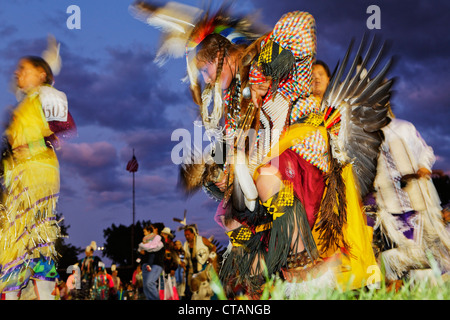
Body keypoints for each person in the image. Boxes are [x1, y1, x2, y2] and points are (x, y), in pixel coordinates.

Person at [0, 50, 75, 299]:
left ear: (41, 74)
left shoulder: (45, 94)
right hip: (19, 176)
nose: (17, 72)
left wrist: (34, 144)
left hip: (37, 173)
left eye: (24, 68)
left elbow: (65, 125)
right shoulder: (24, 106)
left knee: (34, 235)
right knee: (15, 242)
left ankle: (43, 293)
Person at [366, 114, 450, 283]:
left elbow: (425, 151)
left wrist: (423, 166)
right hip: (386, 205)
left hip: (415, 200)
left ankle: (429, 285)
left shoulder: (403, 127)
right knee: (394, 255)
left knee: (425, 249)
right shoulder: (364, 135)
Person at [183, 226, 217, 300]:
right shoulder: (186, 245)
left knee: (205, 293)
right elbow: (186, 258)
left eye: (188, 234)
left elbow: (213, 247)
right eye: (185, 235)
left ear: (193, 234)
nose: (187, 237)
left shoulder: (202, 240)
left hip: (204, 268)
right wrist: (183, 263)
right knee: (195, 294)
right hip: (193, 271)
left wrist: (211, 256)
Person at [139, 223, 165, 300]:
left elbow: (154, 249)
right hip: (145, 264)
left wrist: (145, 248)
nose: (149, 229)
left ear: (156, 229)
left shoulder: (159, 238)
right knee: (146, 287)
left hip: (155, 264)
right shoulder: (148, 238)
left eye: (151, 228)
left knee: (149, 283)